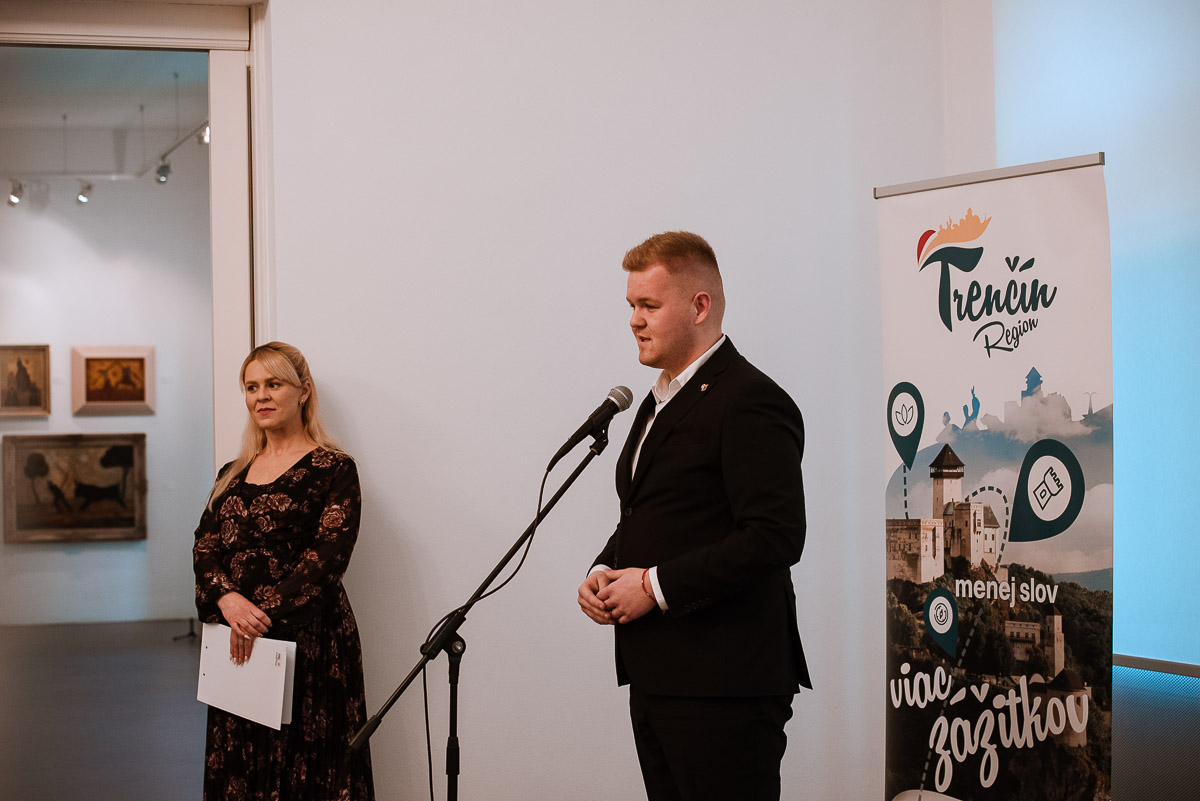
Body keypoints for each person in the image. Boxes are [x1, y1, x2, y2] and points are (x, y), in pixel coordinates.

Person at [577, 232, 811, 801]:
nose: (634, 320)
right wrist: (604, 569)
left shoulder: (750, 399)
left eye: (649, 305)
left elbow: (775, 536)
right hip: (659, 674)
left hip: (725, 683)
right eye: (631, 305)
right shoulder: (657, 399)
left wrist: (652, 586)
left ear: (700, 306)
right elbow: (655, 512)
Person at [193, 341, 374, 801]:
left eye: (273, 384)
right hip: (237, 641)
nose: (261, 396)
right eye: (251, 386)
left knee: (308, 771)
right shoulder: (231, 473)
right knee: (242, 766)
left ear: (303, 391)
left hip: (310, 643)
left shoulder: (334, 468)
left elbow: (327, 558)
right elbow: (205, 546)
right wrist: (228, 602)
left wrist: (257, 617)